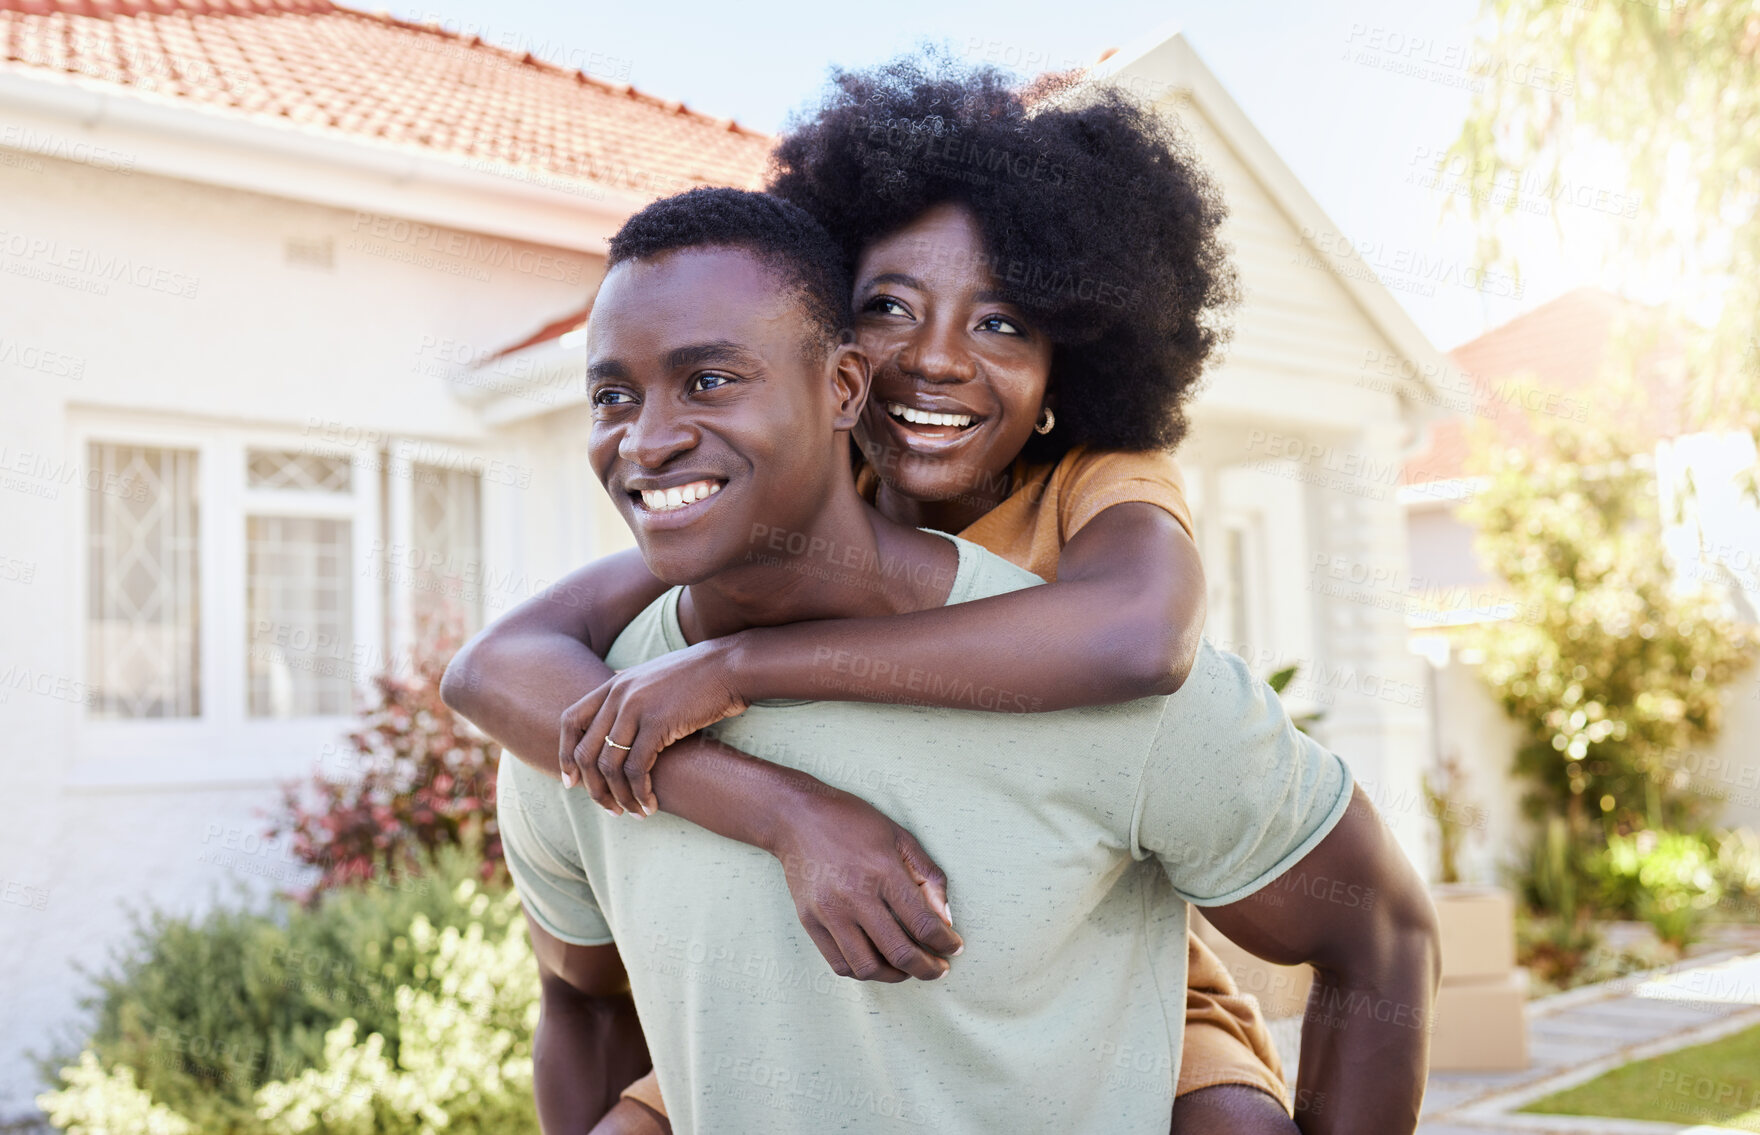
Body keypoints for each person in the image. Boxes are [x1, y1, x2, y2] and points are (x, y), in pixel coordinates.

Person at [446, 59, 1312, 1133]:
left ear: (1069, 365)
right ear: (833, 356)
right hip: (795, 996)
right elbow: (494, 668)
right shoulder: (794, 496)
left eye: (1001, 323)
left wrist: (735, 668)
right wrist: (779, 809)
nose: (934, 359)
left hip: (1094, 979)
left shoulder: (1094, 482)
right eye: (889, 308)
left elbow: (1138, 637)